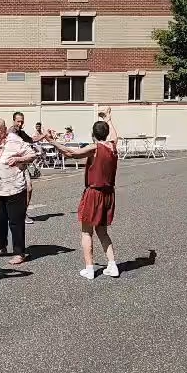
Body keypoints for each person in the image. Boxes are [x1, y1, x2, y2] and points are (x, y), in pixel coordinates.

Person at [44, 107, 119, 280]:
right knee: (103, 232)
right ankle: (112, 265)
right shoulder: (112, 146)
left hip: (94, 193)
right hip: (109, 193)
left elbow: (70, 153)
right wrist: (109, 119)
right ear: (106, 133)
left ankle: (89, 268)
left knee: (87, 232)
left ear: (93, 134)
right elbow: (115, 136)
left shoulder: (95, 148)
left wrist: (50, 140)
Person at [0, 118, 36, 265]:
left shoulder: (15, 141)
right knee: (0, 221)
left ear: (4, 130)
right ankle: (1, 247)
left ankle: (19, 253)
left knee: (16, 223)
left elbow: (32, 155)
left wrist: (18, 158)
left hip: (15, 188)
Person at [8, 111, 46, 224]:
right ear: (13, 120)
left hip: (22, 165)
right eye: (18, 121)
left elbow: (32, 140)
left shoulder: (21, 133)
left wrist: (45, 135)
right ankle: (14, 215)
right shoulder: (10, 133)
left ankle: (22, 214)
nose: (20, 123)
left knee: (28, 189)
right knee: (14, 192)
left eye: (22, 121)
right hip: (12, 166)